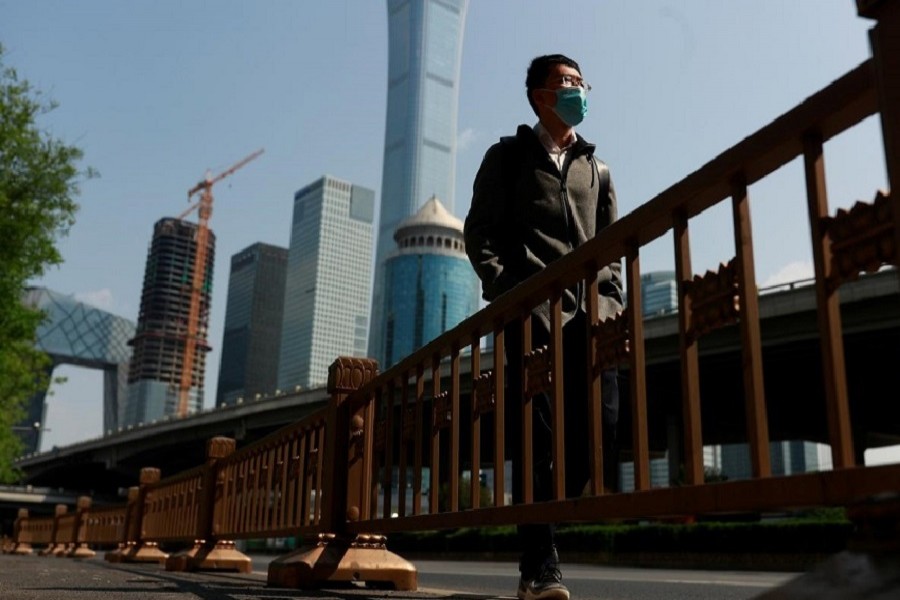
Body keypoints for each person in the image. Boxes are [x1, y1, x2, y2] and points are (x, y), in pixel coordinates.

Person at [463, 54, 624, 600]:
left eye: (582, 82)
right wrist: (506, 290)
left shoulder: (596, 168)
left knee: (600, 427)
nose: (578, 90)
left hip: (591, 319)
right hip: (531, 315)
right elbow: (479, 230)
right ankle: (539, 566)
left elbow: (611, 244)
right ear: (539, 95)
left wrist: (612, 300)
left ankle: (543, 523)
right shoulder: (508, 158)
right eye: (567, 83)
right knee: (537, 438)